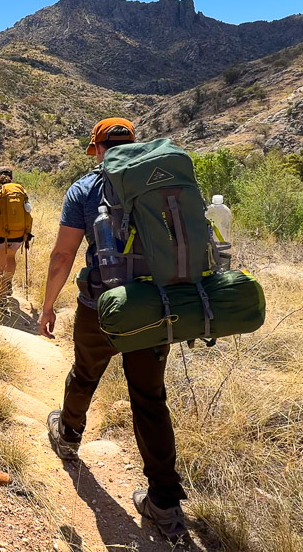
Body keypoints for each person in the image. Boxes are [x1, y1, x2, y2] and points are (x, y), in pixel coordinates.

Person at [37, 118, 190, 541]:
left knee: (86, 372)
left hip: (101, 305)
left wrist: (48, 305)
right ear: (132, 145)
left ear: (97, 148)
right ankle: (164, 503)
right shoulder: (161, 181)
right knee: (149, 398)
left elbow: (63, 255)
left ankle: (68, 435)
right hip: (157, 307)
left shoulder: (85, 189)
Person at [0, 167, 31, 307]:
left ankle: (2, 300)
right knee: (10, 257)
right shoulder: (20, 192)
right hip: (18, 235)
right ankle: (8, 281)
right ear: (11, 177)